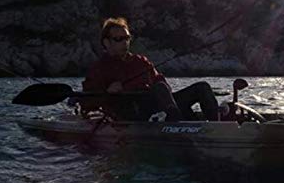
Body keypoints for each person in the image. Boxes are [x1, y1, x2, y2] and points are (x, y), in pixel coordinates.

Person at [80, 17, 219, 122]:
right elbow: (86, 103)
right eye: (119, 39)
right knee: (159, 88)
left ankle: (217, 128)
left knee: (202, 87)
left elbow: (163, 84)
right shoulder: (98, 68)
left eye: (127, 38)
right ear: (106, 42)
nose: (125, 42)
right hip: (131, 113)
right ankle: (177, 123)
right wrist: (107, 92)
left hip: (156, 106)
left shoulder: (140, 61)